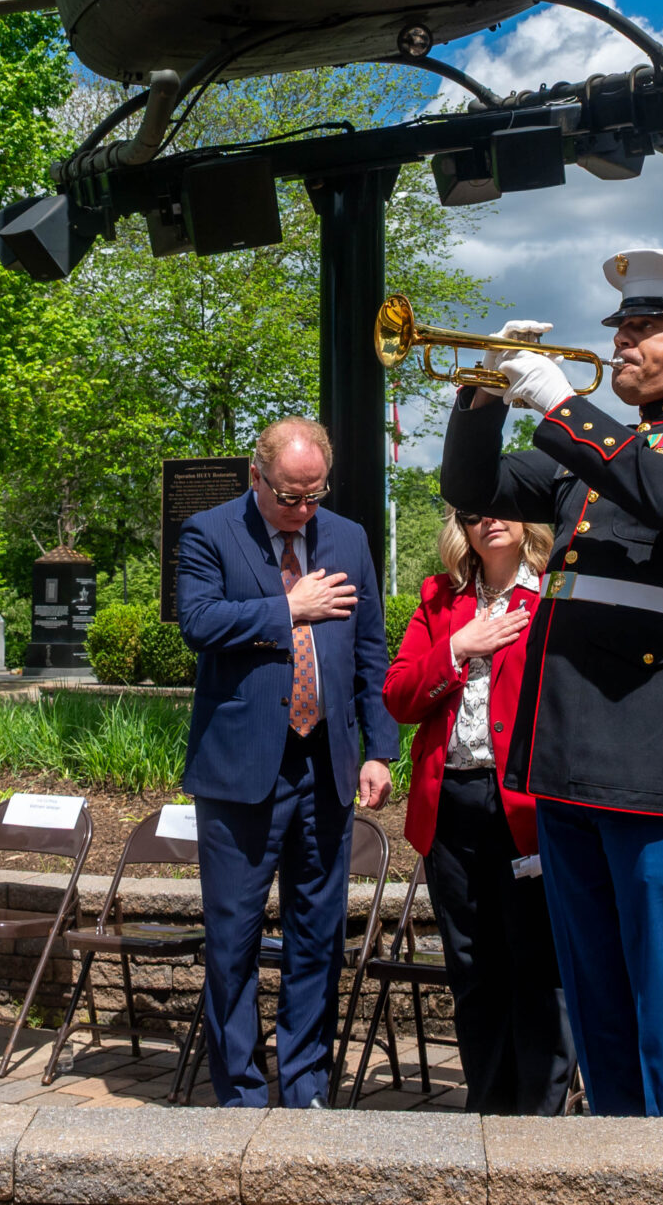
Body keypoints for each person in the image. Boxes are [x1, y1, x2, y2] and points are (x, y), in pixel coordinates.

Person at [438, 247, 663, 1118]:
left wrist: (563, 402)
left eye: (643, 329)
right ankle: (616, 1160)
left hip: (659, 750)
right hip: (567, 748)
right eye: (621, 330)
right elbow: (471, 485)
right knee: (593, 993)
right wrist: (482, 395)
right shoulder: (606, 449)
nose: (624, 344)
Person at [178, 416, 397, 1110]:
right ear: (256, 476)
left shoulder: (349, 538)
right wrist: (288, 608)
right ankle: (240, 1089)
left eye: (313, 494)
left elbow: (370, 646)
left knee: (317, 937)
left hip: (324, 767)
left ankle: (305, 1085)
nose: (302, 510)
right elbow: (199, 620)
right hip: (242, 775)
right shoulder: (210, 532)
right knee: (233, 941)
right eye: (288, 496)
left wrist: (381, 748)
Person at [381, 506, 569, 1115]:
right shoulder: (442, 598)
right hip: (451, 804)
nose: (489, 522)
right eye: (473, 514)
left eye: (504, 509)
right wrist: (458, 647)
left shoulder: (555, 594)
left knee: (535, 965)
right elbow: (400, 695)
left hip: (526, 809)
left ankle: (539, 1114)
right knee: (471, 964)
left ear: (527, 520)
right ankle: (488, 1109)